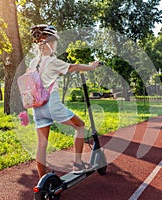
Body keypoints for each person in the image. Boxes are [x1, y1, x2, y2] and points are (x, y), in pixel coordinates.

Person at [29, 24, 101, 178]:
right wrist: (91, 66)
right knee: (80, 125)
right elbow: (74, 67)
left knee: (42, 144)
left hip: (37, 107)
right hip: (51, 104)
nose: (56, 45)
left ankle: (42, 181)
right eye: (54, 41)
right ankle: (77, 164)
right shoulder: (53, 61)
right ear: (48, 42)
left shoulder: (33, 62)